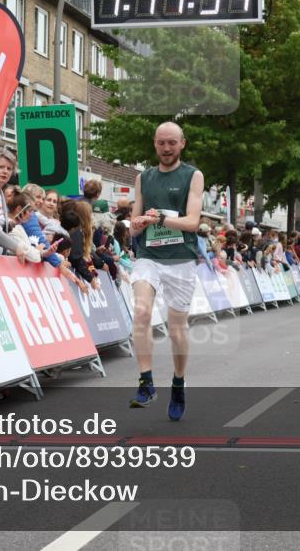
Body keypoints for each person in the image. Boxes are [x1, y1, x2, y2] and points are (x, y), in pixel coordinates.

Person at [128, 122, 204, 421]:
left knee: (176, 330)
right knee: (142, 311)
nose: (167, 148)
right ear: (154, 144)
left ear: (182, 144)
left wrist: (159, 219)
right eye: (161, 143)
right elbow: (135, 219)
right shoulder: (143, 178)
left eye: (172, 142)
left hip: (180, 259)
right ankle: (146, 382)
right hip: (148, 255)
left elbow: (193, 222)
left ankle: (178, 381)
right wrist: (137, 223)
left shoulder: (193, 176)